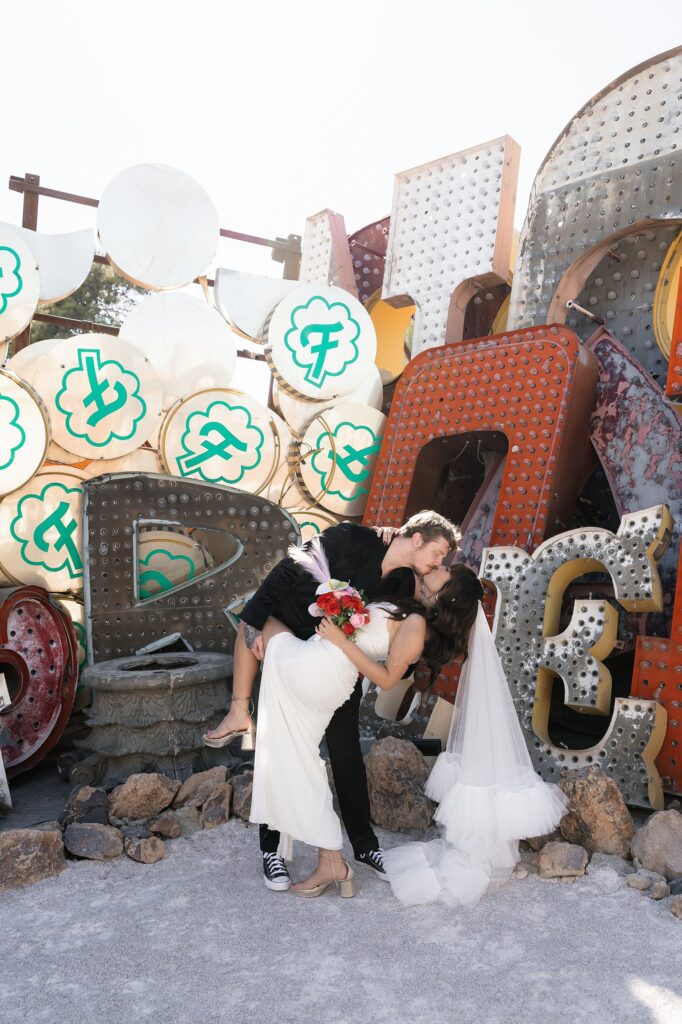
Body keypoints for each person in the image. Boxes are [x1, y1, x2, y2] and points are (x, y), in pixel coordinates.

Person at [203, 511, 460, 889]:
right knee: (278, 746)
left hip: (337, 668)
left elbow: (396, 646)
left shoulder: (406, 582)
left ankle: (364, 845)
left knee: (345, 751)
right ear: (417, 539)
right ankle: (272, 850)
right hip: (291, 641)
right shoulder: (352, 538)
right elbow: (292, 567)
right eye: (438, 553)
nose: (439, 562)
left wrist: (381, 664)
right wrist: (256, 620)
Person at [248, 547, 482, 898]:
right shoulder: (412, 606)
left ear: (447, 593)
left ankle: (302, 852)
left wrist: (341, 640)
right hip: (323, 669)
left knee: (259, 620)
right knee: (296, 760)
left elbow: (387, 680)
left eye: (445, 569)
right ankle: (326, 858)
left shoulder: (417, 625)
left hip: (320, 668)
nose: (439, 565)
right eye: (440, 559)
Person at [383, 581, 568, 908]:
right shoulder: (473, 642)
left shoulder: (451, 635)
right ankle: (484, 839)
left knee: (478, 748)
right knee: (483, 748)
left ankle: (475, 848)